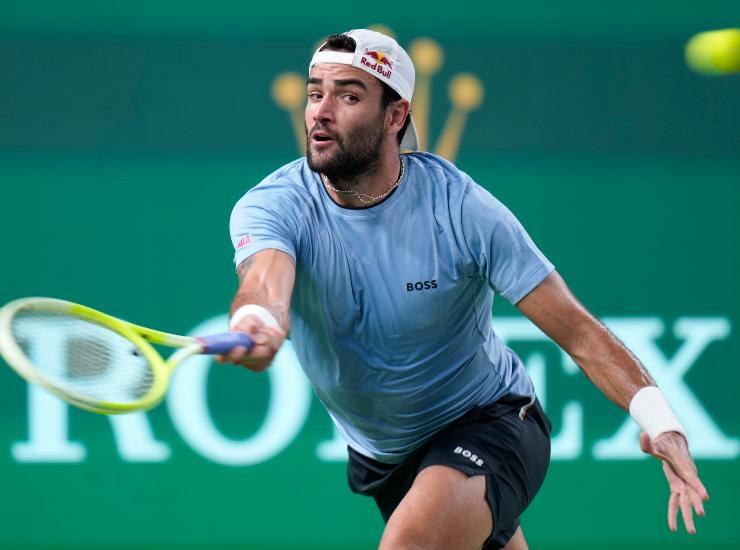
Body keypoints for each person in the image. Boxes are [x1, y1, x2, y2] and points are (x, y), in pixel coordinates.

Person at [221, 29, 708, 549]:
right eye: (315, 92)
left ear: (394, 115)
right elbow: (264, 285)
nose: (321, 111)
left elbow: (581, 334)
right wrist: (258, 322)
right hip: (387, 457)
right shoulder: (272, 205)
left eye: (349, 95)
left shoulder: (463, 211)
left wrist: (663, 423)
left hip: (491, 423)